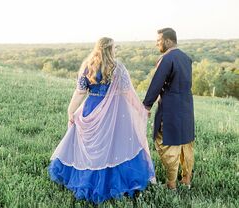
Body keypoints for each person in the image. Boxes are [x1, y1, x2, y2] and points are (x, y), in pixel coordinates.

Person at [48, 37, 156, 204]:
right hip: (114, 112)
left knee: (94, 148)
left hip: (91, 108)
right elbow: (128, 93)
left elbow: (80, 92)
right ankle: (114, 183)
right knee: (114, 146)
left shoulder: (87, 66)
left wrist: (71, 111)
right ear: (111, 50)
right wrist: (140, 109)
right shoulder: (118, 68)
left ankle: (89, 181)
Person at [143, 28, 195, 190]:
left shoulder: (166, 59)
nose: (157, 43)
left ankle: (171, 184)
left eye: (159, 41)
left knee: (167, 142)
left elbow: (156, 84)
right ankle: (186, 180)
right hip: (186, 107)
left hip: (170, 108)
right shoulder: (186, 58)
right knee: (185, 142)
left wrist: (146, 105)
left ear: (168, 41)